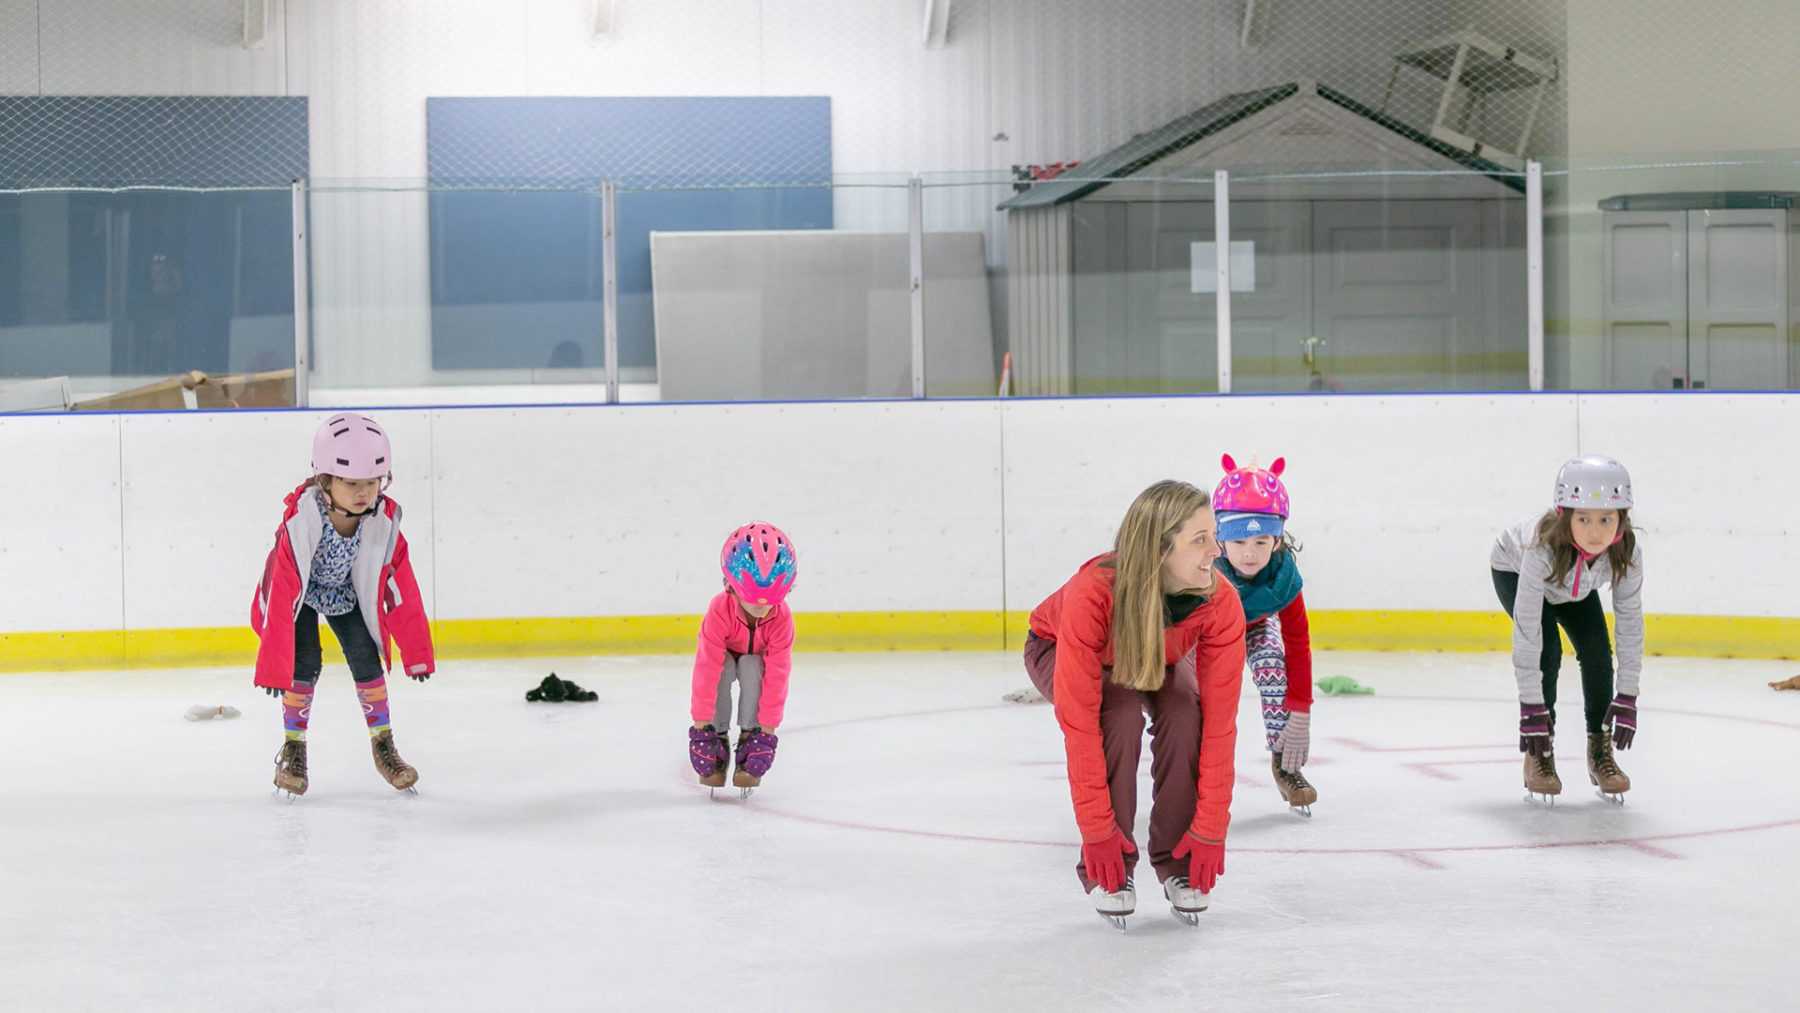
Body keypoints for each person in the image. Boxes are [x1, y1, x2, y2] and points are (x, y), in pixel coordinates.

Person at [1023, 480, 1246, 928]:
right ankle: (1113, 863)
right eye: (1200, 539)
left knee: (1187, 712)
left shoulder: (1219, 601)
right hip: (1059, 646)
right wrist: (1097, 834)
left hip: (1161, 650)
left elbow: (1220, 727)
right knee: (1117, 713)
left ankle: (1177, 858)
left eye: (1215, 536)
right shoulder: (1093, 592)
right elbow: (1081, 727)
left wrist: (1210, 828)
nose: (1217, 551)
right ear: (1159, 549)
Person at [250, 412, 435, 796]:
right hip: (301, 593)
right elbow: (281, 593)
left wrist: (417, 652)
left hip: (345, 592)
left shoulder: (382, 522)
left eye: (372, 481)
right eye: (351, 483)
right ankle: (293, 748)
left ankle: (383, 745)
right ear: (324, 481)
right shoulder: (301, 522)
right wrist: (273, 666)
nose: (363, 492)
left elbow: (402, 587)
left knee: (365, 656)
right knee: (305, 661)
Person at [1491, 455, 1641, 804]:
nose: (1595, 532)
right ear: (1564, 515)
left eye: (1606, 519)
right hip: (1515, 570)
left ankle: (1600, 751)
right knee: (1548, 649)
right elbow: (1528, 633)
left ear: (1622, 517)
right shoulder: (1540, 547)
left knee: (1598, 652)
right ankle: (1539, 753)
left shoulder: (1626, 551)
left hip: (1573, 583)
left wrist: (1628, 695)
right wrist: (1531, 708)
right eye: (1583, 519)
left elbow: (1630, 624)